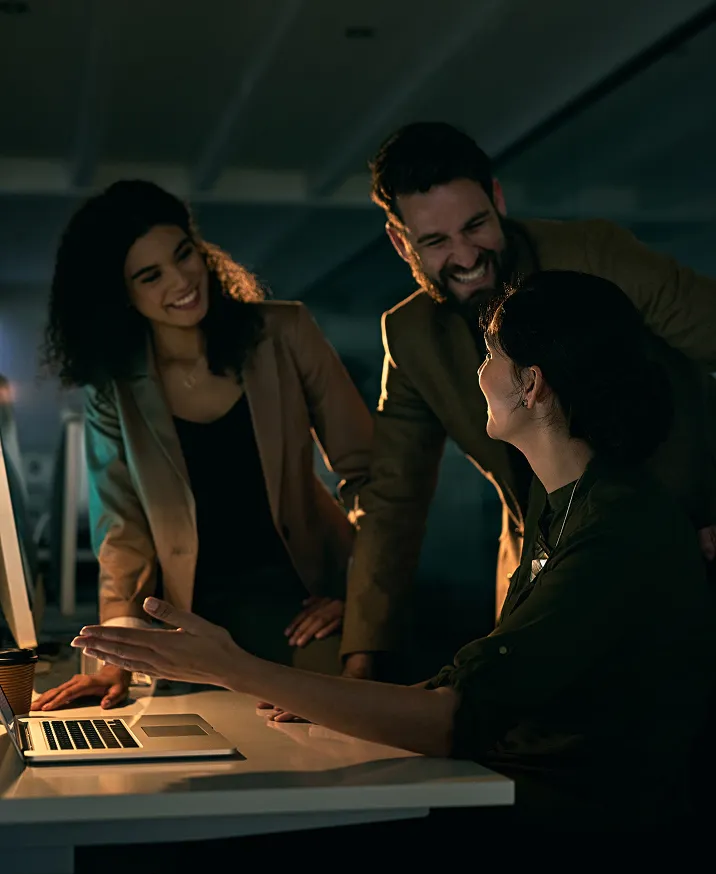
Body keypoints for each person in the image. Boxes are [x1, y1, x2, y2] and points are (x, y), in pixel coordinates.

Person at [71, 271, 716, 827]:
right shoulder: (569, 502)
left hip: (588, 830)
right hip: (538, 798)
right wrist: (326, 704)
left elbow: (455, 718)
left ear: (533, 384)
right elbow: (482, 684)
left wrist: (231, 667)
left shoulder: (616, 528)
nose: (480, 372)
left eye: (491, 353)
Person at [340, 121, 716, 682]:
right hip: (539, 577)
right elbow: (393, 500)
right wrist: (360, 660)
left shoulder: (594, 253)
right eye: (436, 242)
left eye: (476, 225)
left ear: (497, 198)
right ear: (401, 242)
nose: (467, 256)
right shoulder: (411, 333)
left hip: (683, 544)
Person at [32, 180, 372, 712]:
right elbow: (122, 530)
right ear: (122, 293)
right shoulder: (114, 390)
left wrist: (360, 597)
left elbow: (369, 474)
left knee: (326, 755)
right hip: (187, 627)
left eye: (183, 254)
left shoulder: (285, 332)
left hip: (305, 606)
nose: (182, 279)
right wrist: (115, 656)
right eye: (151, 275)